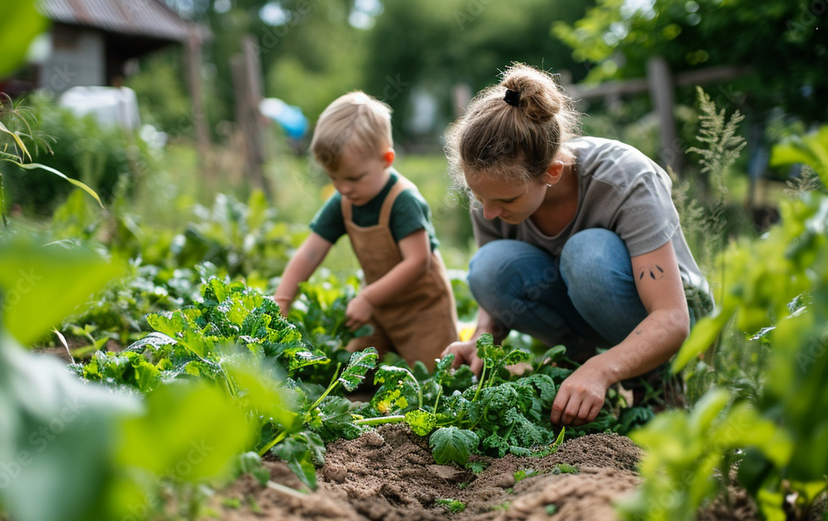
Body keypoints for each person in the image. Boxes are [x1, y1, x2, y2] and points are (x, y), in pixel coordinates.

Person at [442, 64, 710, 426]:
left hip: (671, 320)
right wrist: (483, 337)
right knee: (489, 265)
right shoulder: (493, 194)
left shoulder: (625, 179)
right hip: (585, 310)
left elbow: (673, 318)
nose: (489, 212)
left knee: (587, 255)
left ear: (551, 173)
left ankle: (659, 381)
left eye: (506, 201)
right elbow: (497, 282)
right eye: (478, 196)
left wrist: (604, 369)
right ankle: (576, 359)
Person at [274, 91, 458, 371]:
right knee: (355, 370)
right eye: (333, 178)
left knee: (434, 377)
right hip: (376, 309)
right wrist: (283, 298)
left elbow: (418, 262)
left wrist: (368, 298)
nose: (344, 188)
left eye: (354, 178)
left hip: (423, 311)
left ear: (387, 159)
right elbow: (311, 252)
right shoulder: (344, 202)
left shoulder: (403, 201)